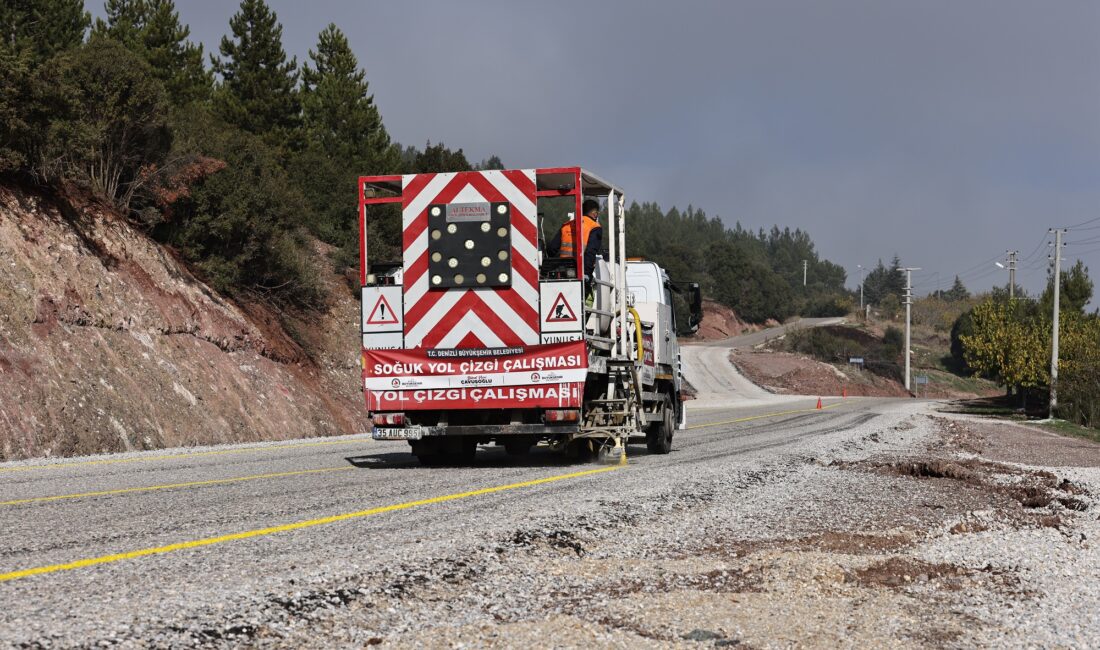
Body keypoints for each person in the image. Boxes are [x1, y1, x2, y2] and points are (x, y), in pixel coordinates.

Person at [546, 199, 603, 278]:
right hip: (579, 271)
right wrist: (586, 273)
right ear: (595, 214)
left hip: (562, 271)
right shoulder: (594, 227)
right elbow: (590, 252)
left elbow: (552, 248)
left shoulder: (566, 225)